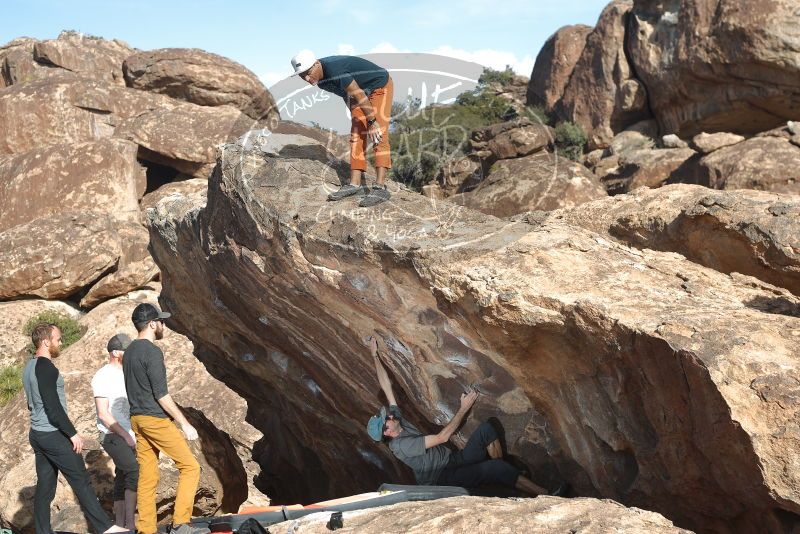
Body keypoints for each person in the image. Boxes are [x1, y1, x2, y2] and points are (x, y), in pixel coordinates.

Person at [367, 337, 561, 496]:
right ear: (388, 431)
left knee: (488, 429)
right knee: (492, 469)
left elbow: (387, 387)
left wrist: (374, 355)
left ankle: (509, 475)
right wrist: (464, 407)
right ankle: (546, 495)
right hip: (442, 477)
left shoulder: (396, 422)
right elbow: (442, 437)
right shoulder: (402, 445)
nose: (389, 416)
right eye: (386, 419)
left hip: (453, 460)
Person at [22, 323, 129, 534]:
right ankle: (106, 528)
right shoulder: (46, 367)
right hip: (53, 435)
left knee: (45, 486)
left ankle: (43, 531)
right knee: (81, 481)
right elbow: (53, 407)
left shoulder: (29, 366)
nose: (60, 343)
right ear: (46, 341)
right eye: (58, 339)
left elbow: (32, 404)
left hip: (37, 434)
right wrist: (72, 433)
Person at [123, 303, 200, 534]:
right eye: (161, 321)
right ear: (152, 324)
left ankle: (146, 529)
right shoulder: (151, 351)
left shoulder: (128, 353)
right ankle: (181, 524)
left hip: (136, 419)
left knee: (147, 477)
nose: (163, 325)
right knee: (190, 467)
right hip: (154, 419)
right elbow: (162, 395)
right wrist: (185, 423)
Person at [291, 49, 394, 207]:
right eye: (301, 75)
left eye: (308, 72)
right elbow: (348, 94)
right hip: (359, 92)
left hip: (379, 85)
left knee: (378, 133)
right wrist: (356, 114)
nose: (306, 78)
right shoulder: (321, 81)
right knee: (356, 135)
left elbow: (358, 94)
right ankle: (354, 184)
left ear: (317, 64)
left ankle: (380, 187)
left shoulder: (335, 70)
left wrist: (372, 122)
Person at [92, 333, 139, 530]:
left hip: (126, 434)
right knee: (133, 471)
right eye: (126, 350)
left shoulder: (125, 373)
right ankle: (130, 525)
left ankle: (120, 524)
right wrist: (126, 435)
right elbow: (103, 413)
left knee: (121, 478)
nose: (129, 353)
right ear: (115, 352)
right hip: (113, 436)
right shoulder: (103, 375)